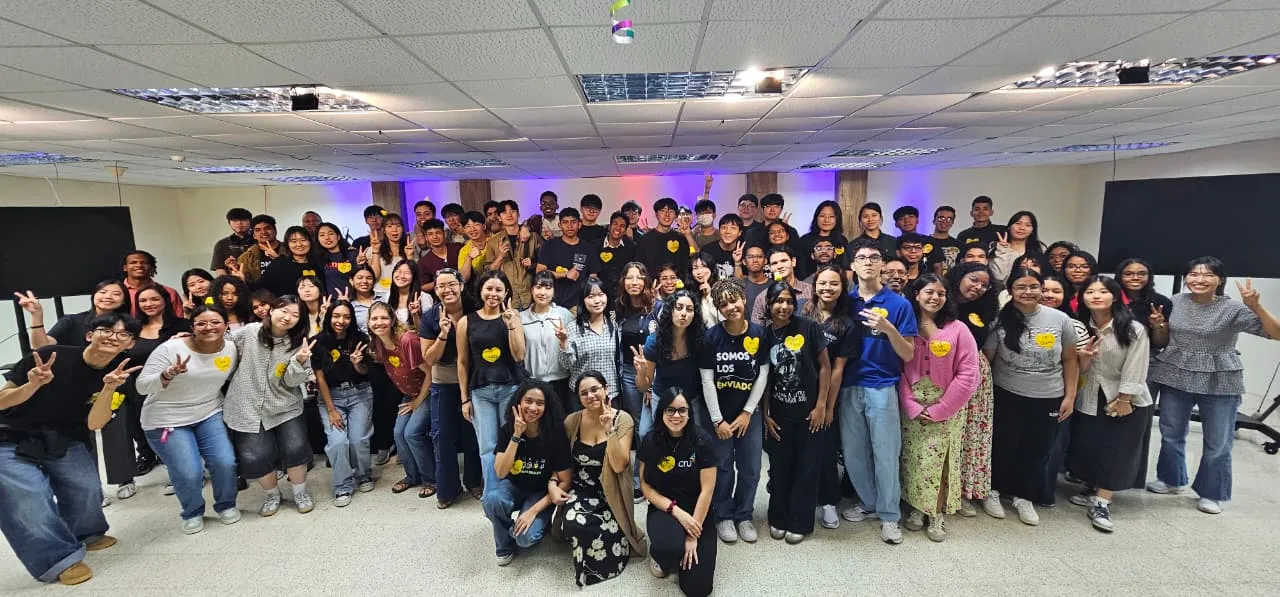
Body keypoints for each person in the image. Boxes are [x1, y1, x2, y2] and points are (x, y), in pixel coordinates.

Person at [0, 313, 140, 585]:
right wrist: (32, 385)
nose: (113, 336)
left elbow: (95, 423)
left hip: (65, 436)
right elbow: (2, 401)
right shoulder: (48, 356)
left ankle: (87, 534)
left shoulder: (121, 375)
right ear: (89, 335)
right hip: (9, 434)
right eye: (106, 329)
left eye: (123, 334)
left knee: (85, 487)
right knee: (27, 494)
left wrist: (109, 388)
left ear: (131, 343)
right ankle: (58, 559)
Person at [1147, 257, 1280, 514]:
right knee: (1171, 432)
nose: (1199, 279)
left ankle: (1211, 493)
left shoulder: (1233, 309)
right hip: (1175, 373)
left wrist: (1256, 306)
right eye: (1193, 274)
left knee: (1218, 441)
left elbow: (1276, 333)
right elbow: (1162, 338)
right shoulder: (1175, 302)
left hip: (1220, 379)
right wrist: (1159, 326)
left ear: (1220, 280)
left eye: (1208, 275)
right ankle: (1171, 479)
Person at [983, 267, 1079, 526]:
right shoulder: (999, 320)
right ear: (1010, 291)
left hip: (1049, 394)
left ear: (1041, 289)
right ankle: (993, 491)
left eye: (1033, 286)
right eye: (1021, 287)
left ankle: (1023, 496)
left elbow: (1070, 360)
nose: (1028, 292)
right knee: (1003, 445)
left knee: (1038, 448)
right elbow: (987, 359)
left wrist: (1070, 396)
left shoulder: (1060, 319)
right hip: (1007, 392)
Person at [136, 305, 240, 534]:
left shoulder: (231, 348)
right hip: (167, 419)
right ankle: (192, 512)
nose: (209, 327)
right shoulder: (171, 349)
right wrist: (167, 374)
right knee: (189, 471)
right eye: (201, 323)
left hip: (209, 412)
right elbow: (142, 386)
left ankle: (226, 505)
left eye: (215, 322)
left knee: (224, 462)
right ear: (192, 327)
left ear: (226, 325)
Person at [841, 239, 917, 544]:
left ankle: (889, 515)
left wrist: (888, 329)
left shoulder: (899, 304)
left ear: (882, 264)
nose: (868, 262)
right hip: (849, 385)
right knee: (854, 453)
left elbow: (908, 353)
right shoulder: (846, 301)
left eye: (874, 257)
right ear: (853, 265)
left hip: (882, 386)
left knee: (885, 453)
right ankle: (869, 502)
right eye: (862, 258)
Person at [1066, 276, 1151, 532]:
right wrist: (1084, 358)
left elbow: (1136, 366)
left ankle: (1102, 501)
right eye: (1090, 292)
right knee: (1091, 445)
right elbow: (1080, 367)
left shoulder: (1132, 329)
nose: (1096, 296)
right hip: (1089, 394)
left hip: (1123, 397)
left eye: (1103, 291)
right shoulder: (1080, 327)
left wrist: (1125, 398)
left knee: (1117, 449)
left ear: (1114, 296)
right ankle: (1092, 487)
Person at [898, 274, 980, 542]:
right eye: (929, 292)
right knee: (914, 459)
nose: (935, 298)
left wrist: (942, 408)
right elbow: (898, 368)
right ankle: (917, 507)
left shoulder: (958, 329)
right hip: (911, 407)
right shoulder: (906, 326)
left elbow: (969, 374)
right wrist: (909, 404)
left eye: (941, 293)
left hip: (946, 406)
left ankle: (936, 513)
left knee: (941, 461)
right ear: (917, 294)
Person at [222, 295, 317, 517]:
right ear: (271, 310)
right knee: (256, 455)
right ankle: (272, 495)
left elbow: (292, 382)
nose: (288, 317)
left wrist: (299, 361)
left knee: (296, 448)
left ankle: (300, 492)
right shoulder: (250, 332)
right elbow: (221, 346)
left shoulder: (299, 343)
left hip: (285, 405)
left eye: (295, 315)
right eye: (284, 310)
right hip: (246, 404)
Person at [700, 279, 770, 544]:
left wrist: (747, 412)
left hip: (748, 415)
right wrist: (717, 420)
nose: (730, 307)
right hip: (718, 416)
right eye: (723, 304)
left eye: (734, 300)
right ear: (718, 309)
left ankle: (744, 515)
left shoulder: (759, 334)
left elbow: (762, 375)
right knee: (723, 467)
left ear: (744, 299)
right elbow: (707, 380)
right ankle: (724, 515)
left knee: (751, 467)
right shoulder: (711, 337)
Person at [558, 372, 646, 586]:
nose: (590, 396)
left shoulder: (622, 419)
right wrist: (554, 484)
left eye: (595, 389)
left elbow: (619, 465)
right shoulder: (572, 421)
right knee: (574, 523)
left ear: (606, 389)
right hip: (581, 489)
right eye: (584, 393)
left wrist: (610, 430)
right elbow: (560, 461)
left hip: (611, 493)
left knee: (610, 533)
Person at [760, 281, 831, 544]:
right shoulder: (765, 335)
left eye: (789, 301)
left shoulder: (809, 327)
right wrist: (765, 414)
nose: (784, 306)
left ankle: (801, 521)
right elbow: (765, 378)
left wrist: (821, 405)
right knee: (780, 468)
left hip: (809, 413)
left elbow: (825, 367)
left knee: (806, 468)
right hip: (779, 414)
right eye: (779, 301)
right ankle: (778, 517)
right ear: (769, 304)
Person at [113, 286, 190, 498]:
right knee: (145, 429)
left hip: (174, 387)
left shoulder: (181, 325)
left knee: (174, 432)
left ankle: (183, 473)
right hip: (140, 387)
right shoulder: (132, 328)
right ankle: (154, 459)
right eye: (143, 300)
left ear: (165, 300)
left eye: (154, 299)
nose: (149, 304)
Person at [638, 388, 717, 597]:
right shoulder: (650, 441)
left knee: (698, 589)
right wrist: (676, 512)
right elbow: (645, 486)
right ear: (661, 412)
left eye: (682, 410)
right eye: (670, 410)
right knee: (668, 550)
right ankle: (664, 554)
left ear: (690, 413)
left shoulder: (702, 441)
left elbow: (707, 490)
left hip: (698, 511)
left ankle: (682, 552)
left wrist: (692, 535)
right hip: (665, 508)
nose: (676, 416)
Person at [484, 379, 571, 565]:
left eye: (539, 403)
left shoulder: (555, 432)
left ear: (547, 407)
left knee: (525, 539)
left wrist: (532, 512)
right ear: (518, 402)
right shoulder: (508, 429)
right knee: (492, 500)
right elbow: (500, 472)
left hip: (542, 492)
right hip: (514, 485)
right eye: (528, 401)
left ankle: (535, 525)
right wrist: (516, 435)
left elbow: (566, 481)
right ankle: (504, 546)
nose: (533, 408)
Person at [457, 271, 527, 499]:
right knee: (487, 447)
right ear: (480, 291)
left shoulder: (513, 317)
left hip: (511, 388)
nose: (493, 294)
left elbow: (519, 356)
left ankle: (512, 491)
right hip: (481, 391)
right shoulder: (466, 321)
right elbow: (463, 362)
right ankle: (492, 494)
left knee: (511, 443)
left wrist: (511, 325)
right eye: (489, 288)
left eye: (499, 290)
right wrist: (464, 398)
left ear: (506, 293)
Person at [420, 269, 483, 506]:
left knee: (472, 434)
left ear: (461, 285)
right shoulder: (430, 317)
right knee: (442, 437)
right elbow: (429, 358)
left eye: (452, 284)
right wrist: (443, 334)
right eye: (441, 286)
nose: (447, 290)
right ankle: (447, 490)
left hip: (473, 380)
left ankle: (474, 482)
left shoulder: (475, 308)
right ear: (435, 291)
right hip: (444, 381)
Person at [803, 265, 860, 530]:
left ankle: (828, 501)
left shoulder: (847, 324)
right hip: (796, 390)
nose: (827, 288)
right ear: (814, 286)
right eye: (822, 283)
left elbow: (837, 369)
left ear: (842, 288)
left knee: (825, 448)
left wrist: (826, 405)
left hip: (826, 394)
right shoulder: (802, 311)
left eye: (834, 283)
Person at [947, 262, 1001, 518]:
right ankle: (941, 488)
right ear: (959, 276)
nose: (978, 287)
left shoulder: (986, 309)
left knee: (970, 435)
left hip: (974, 377)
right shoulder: (940, 300)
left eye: (984, 284)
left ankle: (965, 490)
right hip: (941, 371)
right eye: (974, 280)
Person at [367, 302, 435, 499]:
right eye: (374, 318)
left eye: (383, 318)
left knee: (412, 433)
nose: (379, 322)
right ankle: (412, 476)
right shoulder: (378, 343)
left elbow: (431, 372)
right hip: (410, 393)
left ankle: (431, 479)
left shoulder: (407, 341)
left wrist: (417, 402)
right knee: (398, 433)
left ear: (392, 320)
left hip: (429, 391)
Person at [311, 300, 375, 507]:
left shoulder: (360, 339)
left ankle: (363, 475)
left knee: (358, 439)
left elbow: (365, 372)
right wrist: (331, 410)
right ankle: (343, 485)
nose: (341, 321)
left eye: (347, 317)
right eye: (336, 316)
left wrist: (357, 364)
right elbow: (320, 379)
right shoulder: (317, 342)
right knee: (338, 442)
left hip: (359, 393)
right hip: (331, 397)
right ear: (329, 317)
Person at [1115, 257, 1171, 488]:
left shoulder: (1160, 303)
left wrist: (1158, 325)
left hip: (1144, 366)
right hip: (1110, 364)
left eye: (1141, 273)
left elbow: (1160, 343)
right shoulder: (1111, 297)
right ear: (1120, 276)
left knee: (1137, 423)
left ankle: (1129, 478)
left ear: (1149, 277)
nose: (1135, 278)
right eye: (1129, 273)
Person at [638, 289, 710, 438]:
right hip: (662, 398)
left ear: (695, 315)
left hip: (691, 398)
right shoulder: (654, 342)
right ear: (670, 311)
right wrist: (641, 373)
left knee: (693, 439)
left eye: (689, 309)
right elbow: (643, 386)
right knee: (657, 438)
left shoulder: (700, 340)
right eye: (679, 308)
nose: (684, 313)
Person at [616, 262, 658, 494]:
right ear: (623, 281)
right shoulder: (618, 309)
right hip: (629, 373)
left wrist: (651, 381)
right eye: (629, 277)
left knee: (648, 428)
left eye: (639, 277)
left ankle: (652, 475)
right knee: (637, 424)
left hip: (654, 372)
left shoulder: (657, 308)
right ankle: (638, 479)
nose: (634, 282)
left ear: (646, 281)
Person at [557, 278, 622, 412]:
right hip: (583, 396)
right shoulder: (573, 328)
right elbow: (566, 365)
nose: (597, 301)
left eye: (601, 295)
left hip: (610, 394)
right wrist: (563, 342)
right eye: (591, 296)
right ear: (583, 300)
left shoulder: (614, 326)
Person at [16, 280, 131, 349]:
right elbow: (42, 346)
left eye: (116, 294)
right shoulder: (72, 321)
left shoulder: (129, 324)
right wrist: (36, 315)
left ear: (124, 301)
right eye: (103, 292)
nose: (108, 297)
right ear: (93, 296)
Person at [521, 271, 574, 404]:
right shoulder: (521, 318)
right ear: (532, 290)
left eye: (548, 288)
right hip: (532, 382)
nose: (543, 292)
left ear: (554, 291)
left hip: (561, 381)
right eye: (538, 287)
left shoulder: (564, 315)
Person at [537, 207, 597, 309]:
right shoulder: (549, 246)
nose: (569, 226)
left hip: (579, 305)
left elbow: (593, 278)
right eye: (565, 222)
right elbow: (539, 272)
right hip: (552, 304)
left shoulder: (588, 248)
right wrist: (565, 274)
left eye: (573, 222)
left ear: (579, 224)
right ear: (559, 225)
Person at [482, 200, 537, 309]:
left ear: (519, 214)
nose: (509, 215)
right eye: (504, 212)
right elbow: (487, 272)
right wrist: (500, 257)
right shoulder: (493, 242)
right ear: (499, 217)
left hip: (531, 296)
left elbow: (546, 262)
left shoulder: (533, 237)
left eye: (512, 211)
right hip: (507, 298)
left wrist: (533, 263)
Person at [253, 226, 325, 300]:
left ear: (310, 242)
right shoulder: (279, 264)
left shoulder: (318, 264)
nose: (299, 244)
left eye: (303, 240)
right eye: (294, 241)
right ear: (287, 244)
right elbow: (261, 288)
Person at [750, 245, 812, 324]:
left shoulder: (810, 291)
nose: (779, 266)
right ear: (770, 268)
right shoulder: (763, 297)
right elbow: (757, 329)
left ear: (793, 261)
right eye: (774, 263)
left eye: (784, 261)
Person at [635, 197, 692, 278]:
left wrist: (688, 235)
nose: (667, 215)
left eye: (671, 211)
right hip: (653, 284)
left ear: (675, 215)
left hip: (677, 284)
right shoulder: (644, 239)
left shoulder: (681, 238)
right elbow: (639, 267)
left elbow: (691, 260)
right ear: (656, 214)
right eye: (662, 211)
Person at [120, 250, 184, 318]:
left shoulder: (169, 292)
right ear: (125, 268)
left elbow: (179, 319)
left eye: (144, 263)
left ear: (151, 267)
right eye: (133, 262)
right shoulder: (116, 292)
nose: (139, 265)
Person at [797, 200, 848, 281]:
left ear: (837, 219)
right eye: (822, 216)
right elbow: (800, 270)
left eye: (831, 216)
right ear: (816, 218)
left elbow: (845, 267)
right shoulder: (805, 241)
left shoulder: (842, 240)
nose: (826, 220)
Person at [989, 211, 1046, 283]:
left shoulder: (1040, 248)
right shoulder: (996, 249)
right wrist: (1002, 250)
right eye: (1018, 223)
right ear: (1009, 227)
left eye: (1028, 225)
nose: (1022, 228)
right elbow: (998, 276)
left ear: (1032, 230)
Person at [368, 213, 412, 301]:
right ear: (384, 230)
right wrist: (376, 251)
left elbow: (412, 276)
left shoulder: (409, 249)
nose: (394, 230)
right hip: (380, 294)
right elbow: (374, 276)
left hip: (403, 295)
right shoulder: (374, 249)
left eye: (398, 226)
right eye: (390, 226)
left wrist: (410, 257)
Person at [595, 211, 636, 300]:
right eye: (615, 224)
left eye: (622, 226)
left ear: (625, 230)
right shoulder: (595, 246)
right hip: (600, 295)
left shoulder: (632, 247)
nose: (618, 228)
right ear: (609, 226)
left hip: (624, 296)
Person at [233, 214, 281, 285]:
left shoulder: (289, 250)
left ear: (275, 231)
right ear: (254, 235)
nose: (263, 232)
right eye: (258, 230)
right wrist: (233, 267)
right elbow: (242, 282)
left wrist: (278, 258)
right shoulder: (246, 257)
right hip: (258, 291)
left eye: (267, 228)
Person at [316, 222, 358, 299]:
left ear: (338, 236)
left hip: (354, 299)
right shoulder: (318, 259)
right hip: (332, 302)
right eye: (322, 235)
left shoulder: (353, 254)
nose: (327, 238)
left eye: (331, 234)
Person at [699, 214, 745, 282]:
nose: (727, 232)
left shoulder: (744, 251)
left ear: (739, 233)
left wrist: (737, 262)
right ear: (719, 230)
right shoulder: (707, 250)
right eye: (724, 227)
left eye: (733, 228)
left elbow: (740, 283)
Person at [210, 207, 254, 275]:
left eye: (243, 219)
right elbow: (220, 270)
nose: (239, 223)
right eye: (235, 220)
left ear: (250, 222)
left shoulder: (259, 241)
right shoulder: (222, 244)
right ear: (229, 223)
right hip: (233, 280)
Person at [924, 206, 962, 276]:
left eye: (949, 219)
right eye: (941, 218)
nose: (944, 221)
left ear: (952, 222)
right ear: (934, 220)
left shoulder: (959, 245)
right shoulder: (923, 242)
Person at [386, 260, 422, 330]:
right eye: (398, 271)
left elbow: (426, 331)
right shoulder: (387, 296)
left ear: (414, 277)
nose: (402, 276)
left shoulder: (423, 297)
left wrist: (415, 315)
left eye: (407, 273)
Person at [690, 252, 722, 326]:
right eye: (695, 268)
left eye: (703, 266)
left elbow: (725, 318)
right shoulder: (689, 291)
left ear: (711, 267)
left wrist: (709, 295)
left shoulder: (722, 286)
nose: (699, 272)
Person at [741, 244, 770, 312]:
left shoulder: (774, 286)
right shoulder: (739, 286)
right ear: (744, 262)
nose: (755, 260)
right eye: (750, 257)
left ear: (765, 261)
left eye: (759, 257)